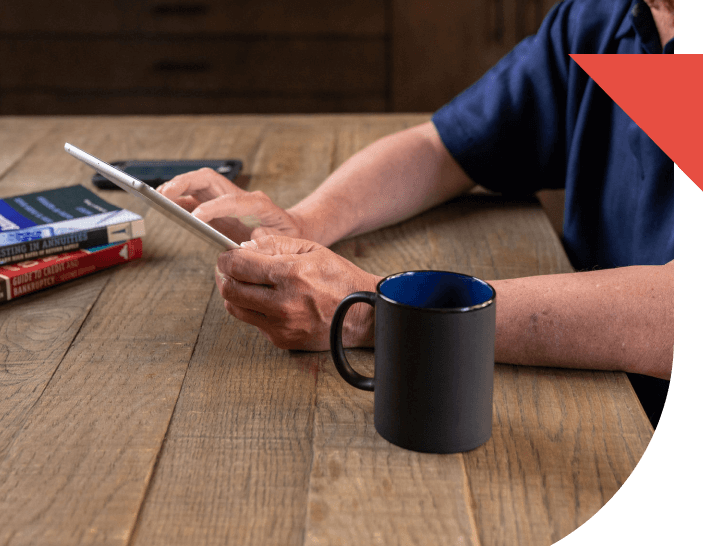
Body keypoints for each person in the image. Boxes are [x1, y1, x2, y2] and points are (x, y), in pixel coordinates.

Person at [156, 0, 674, 426]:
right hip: (597, 394)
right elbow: (444, 147)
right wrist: (308, 221)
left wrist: (379, 314)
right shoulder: (600, 19)